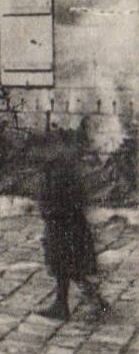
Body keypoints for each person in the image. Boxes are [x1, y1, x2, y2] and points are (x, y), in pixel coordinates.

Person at [36, 131, 110, 321]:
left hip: (64, 224)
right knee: (66, 266)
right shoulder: (57, 166)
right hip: (61, 223)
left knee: (67, 265)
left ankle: (85, 303)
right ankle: (68, 304)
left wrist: (50, 211)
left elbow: (70, 198)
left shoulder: (62, 168)